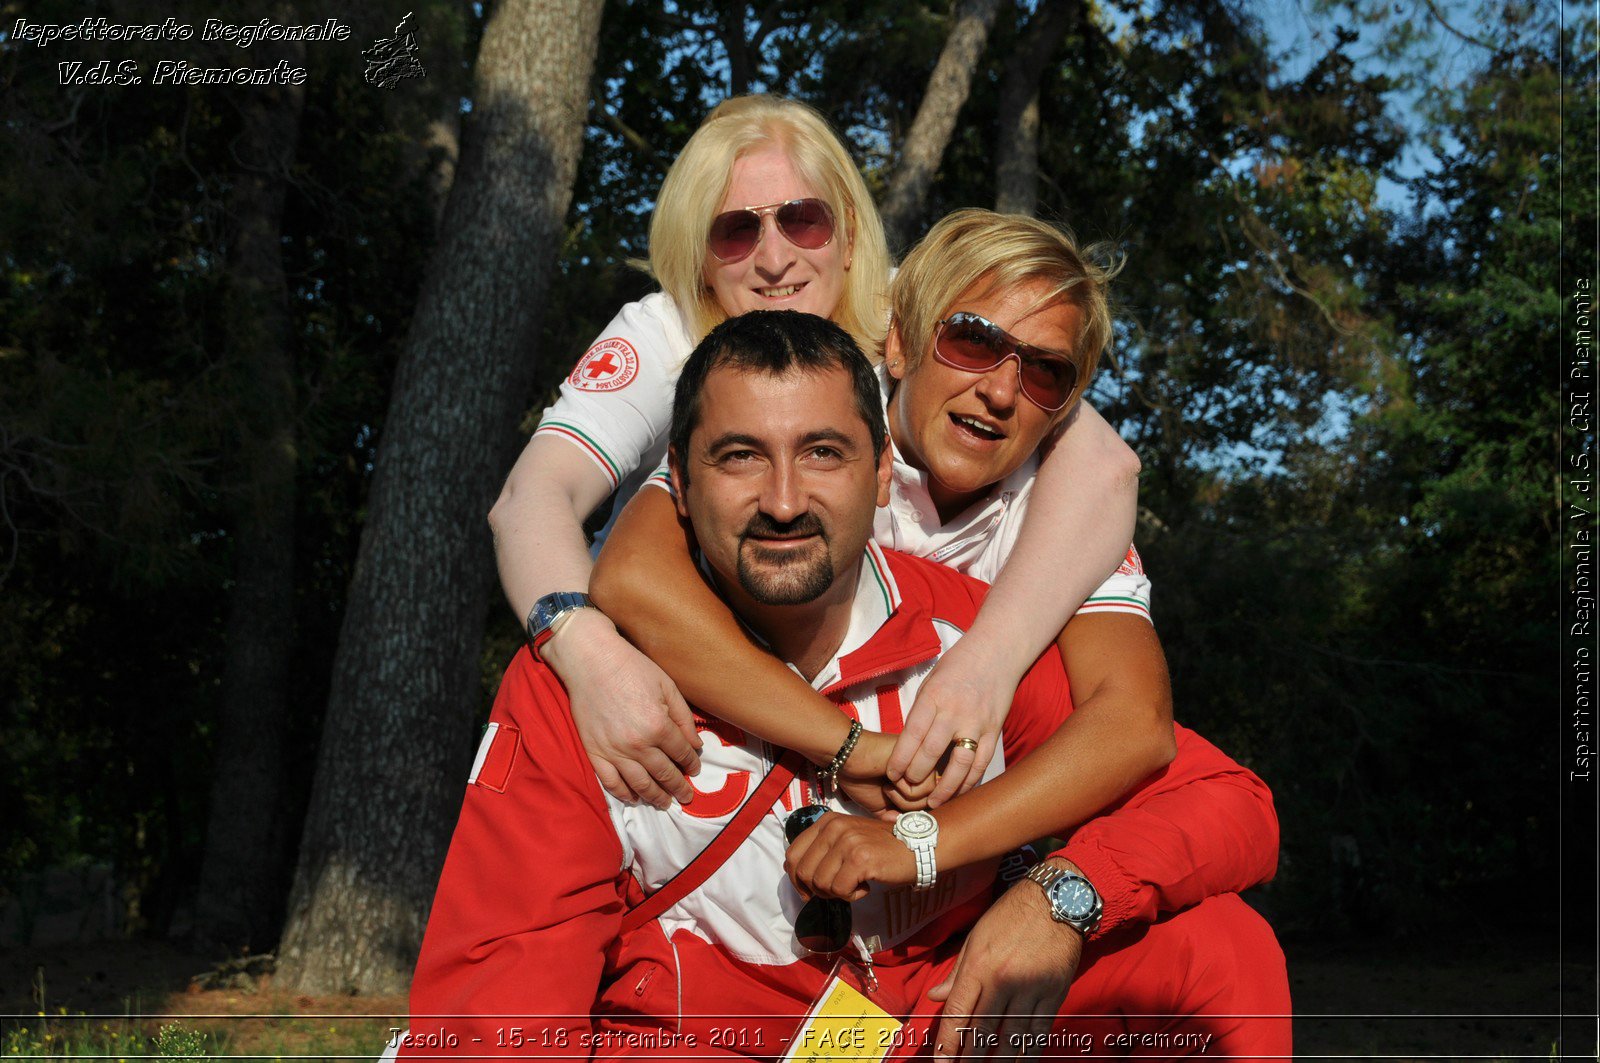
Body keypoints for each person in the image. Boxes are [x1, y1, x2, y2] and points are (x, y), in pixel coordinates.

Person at [404, 312, 1291, 1060]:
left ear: (878, 476)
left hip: (912, 1029)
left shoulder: (969, 641)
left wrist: (1057, 898)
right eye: (740, 457)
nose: (784, 500)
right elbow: (500, 1000)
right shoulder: (592, 681)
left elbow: (1228, 803)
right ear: (678, 481)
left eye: (822, 453)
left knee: (1217, 952)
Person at [490, 96, 1149, 813]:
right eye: (736, 232)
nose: (776, 258)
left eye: (804, 219)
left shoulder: (918, 322)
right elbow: (533, 501)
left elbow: (1105, 466)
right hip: (666, 702)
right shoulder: (665, 332)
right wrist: (590, 655)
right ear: (698, 257)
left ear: (849, 235)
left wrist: (985, 664)